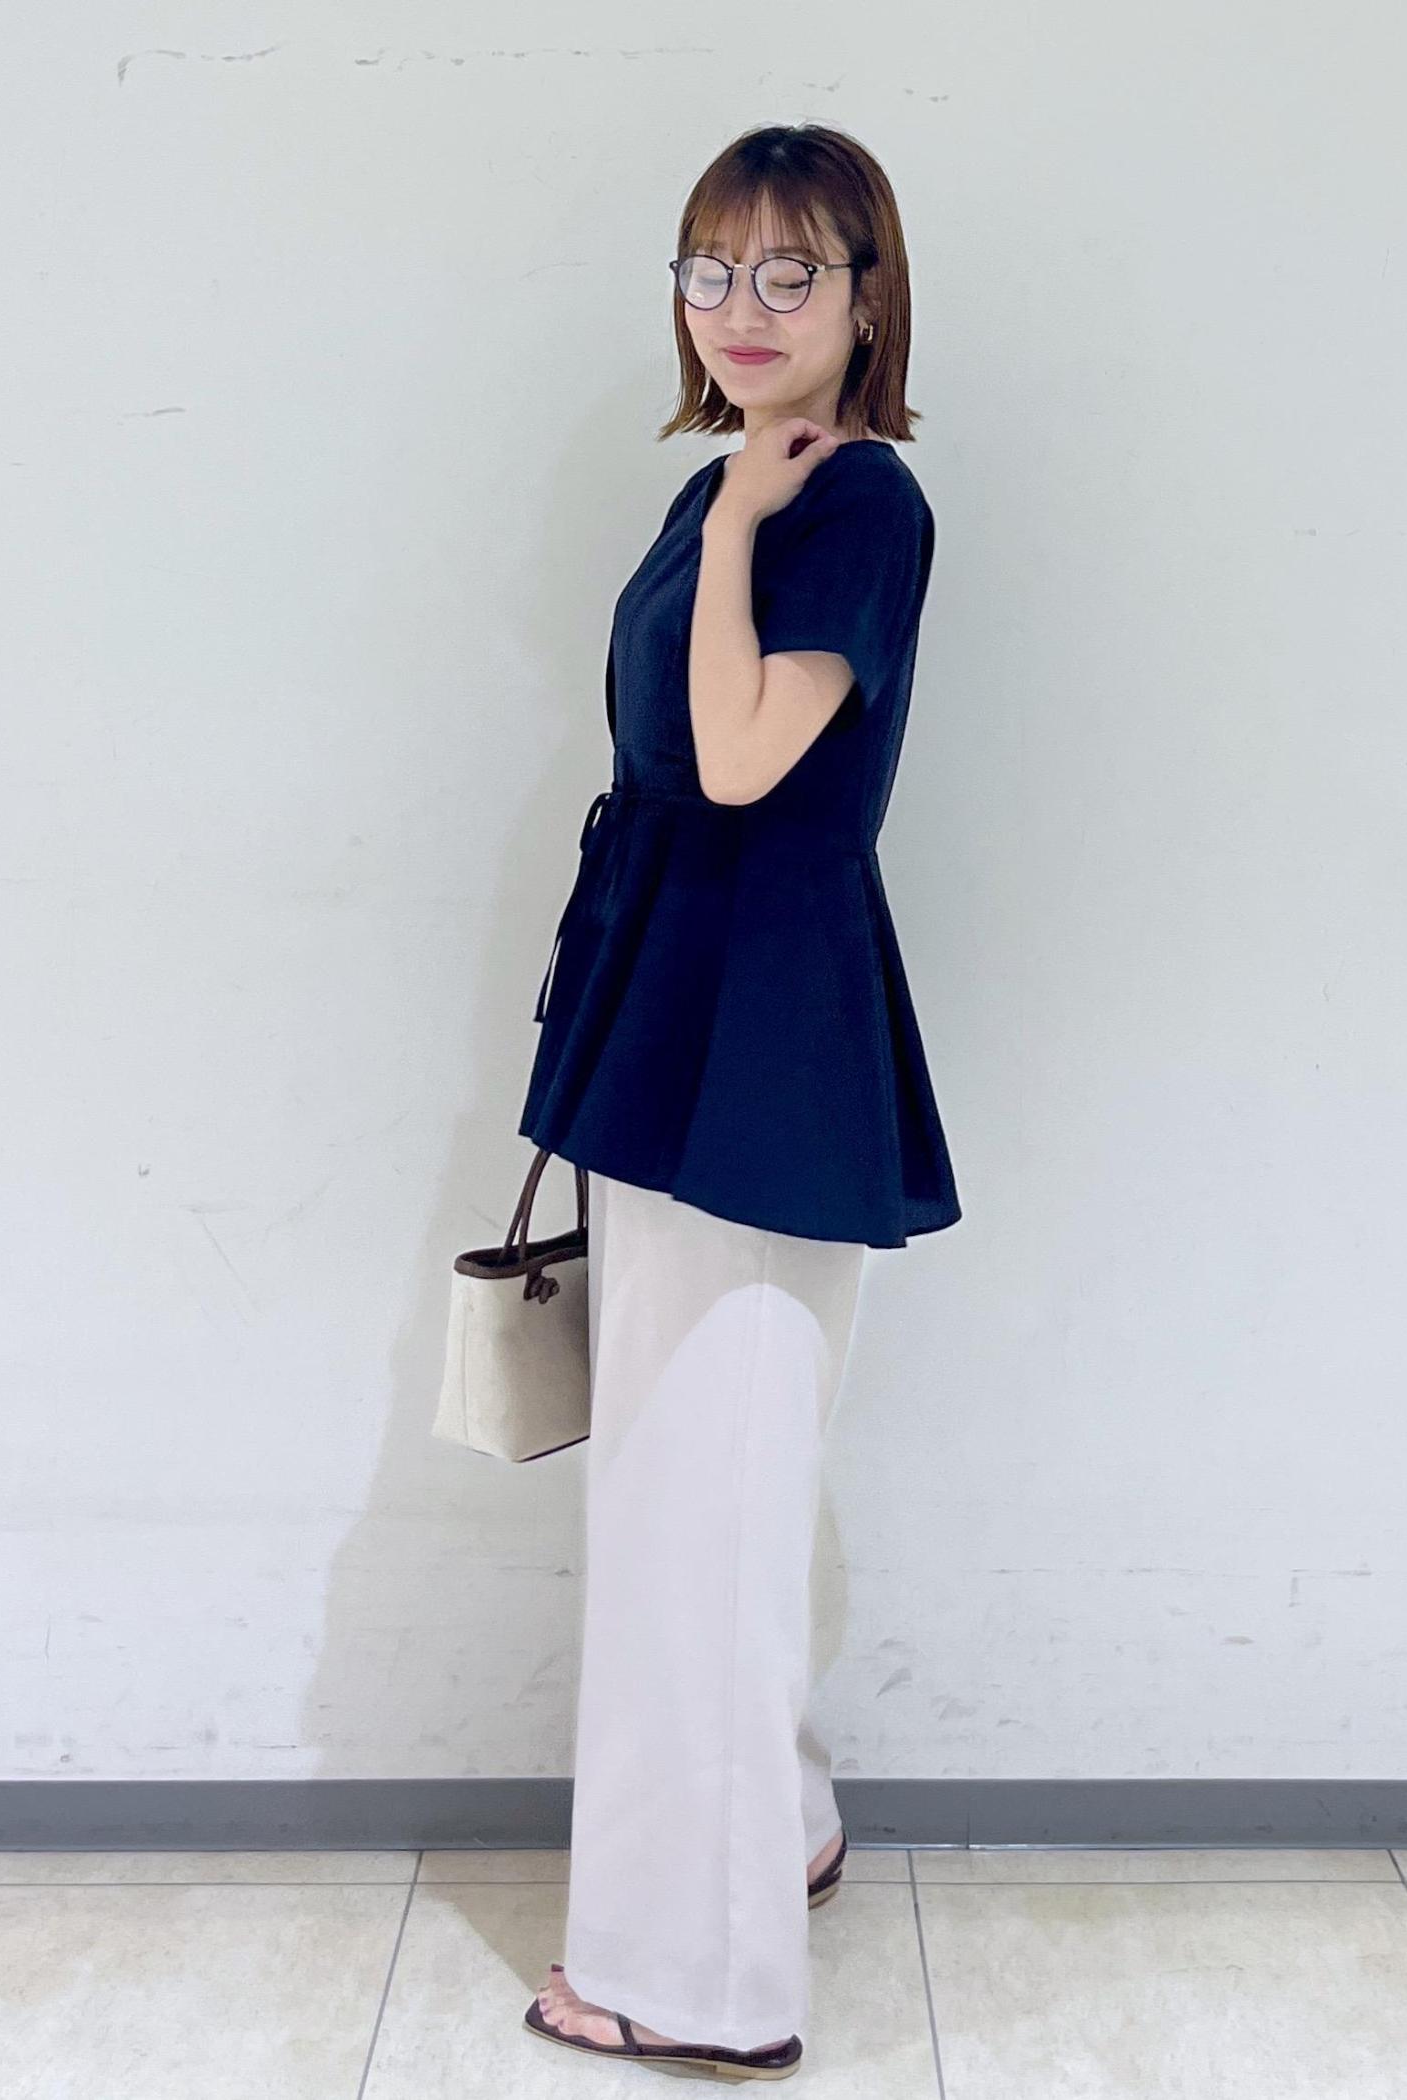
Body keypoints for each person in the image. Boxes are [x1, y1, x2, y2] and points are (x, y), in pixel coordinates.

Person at [518, 120, 961, 2081]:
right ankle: (775, 1828)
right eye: (712, 268)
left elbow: (739, 754)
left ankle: (694, 1984)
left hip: (759, 1035)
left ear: (870, 295)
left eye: (793, 272)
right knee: (699, 1475)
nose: (744, 308)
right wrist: (723, 512)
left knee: (696, 1504)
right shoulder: (742, 478)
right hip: (686, 1009)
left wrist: (727, 539)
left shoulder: (846, 502)